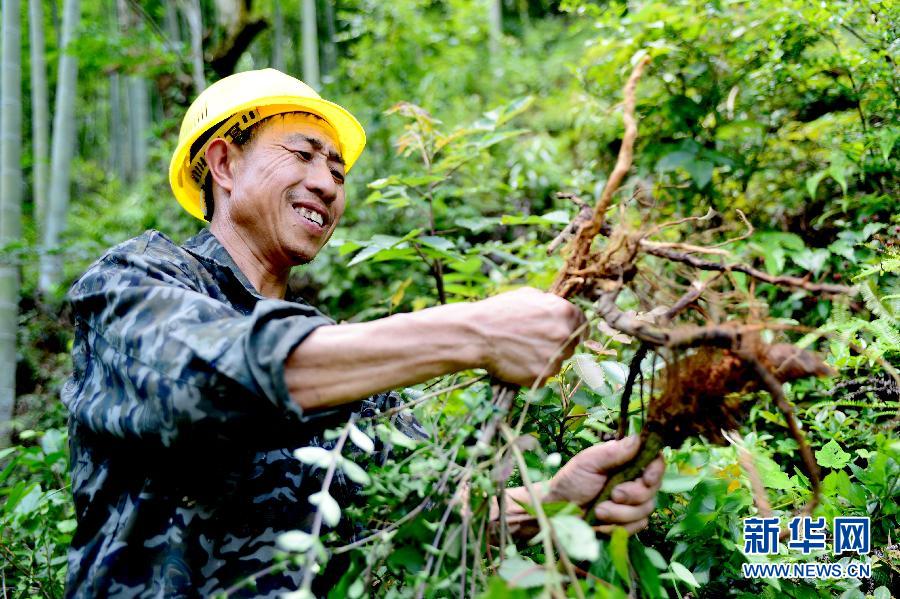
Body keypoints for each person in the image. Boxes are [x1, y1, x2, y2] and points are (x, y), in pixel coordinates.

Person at [63, 69, 663, 598]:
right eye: (302, 154)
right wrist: (471, 332)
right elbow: (209, 378)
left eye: (337, 169)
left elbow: (418, 512)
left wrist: (549, 503)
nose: (327, 183)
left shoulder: (344, 359)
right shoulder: (132, 284)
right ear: (223, 164)